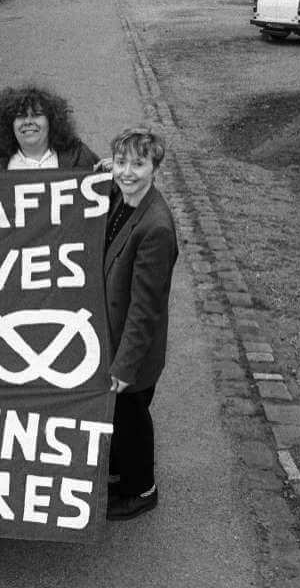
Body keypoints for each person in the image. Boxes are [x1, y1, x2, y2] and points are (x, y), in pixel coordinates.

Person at [104, 125, 178, 520]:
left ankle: (142, 490)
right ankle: (122, 477)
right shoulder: (123, 197)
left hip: (133, 352)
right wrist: (108, 171)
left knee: (131, 420)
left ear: (155, 168)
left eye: (138, 164)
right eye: (121, 162)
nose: (127, 172)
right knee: (119, 418)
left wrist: (125, 366)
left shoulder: (156, 227)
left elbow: (145, 308)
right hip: (113, 337)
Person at [0, 84, 99, 172]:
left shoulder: (79, 157)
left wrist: (109, 172)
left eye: (36, 115)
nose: (28, 122)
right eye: (20, 116)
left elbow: (107, 191)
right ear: (10, 124)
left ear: (51, 121)